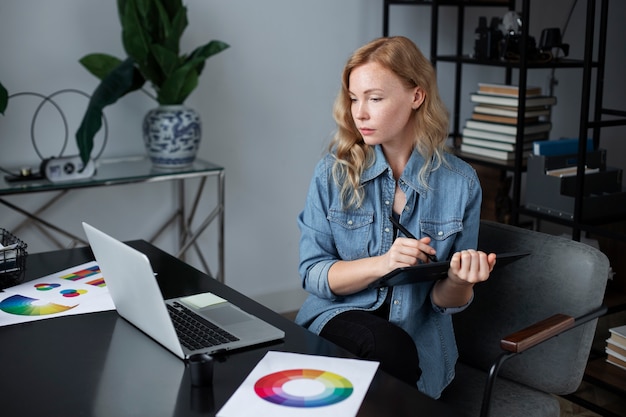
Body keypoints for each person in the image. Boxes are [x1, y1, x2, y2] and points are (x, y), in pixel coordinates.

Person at [295, 36, 497, 399]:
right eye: (354, 98)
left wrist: (462, 280)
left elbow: (443, 301)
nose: (360, 113)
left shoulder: (461, 183)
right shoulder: (333, 173)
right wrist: (385, 263)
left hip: (419, 331)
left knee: (394, 361)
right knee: (387, 348)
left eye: (375, 98)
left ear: (416, 96)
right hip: (340, 314)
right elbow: (314, 274)